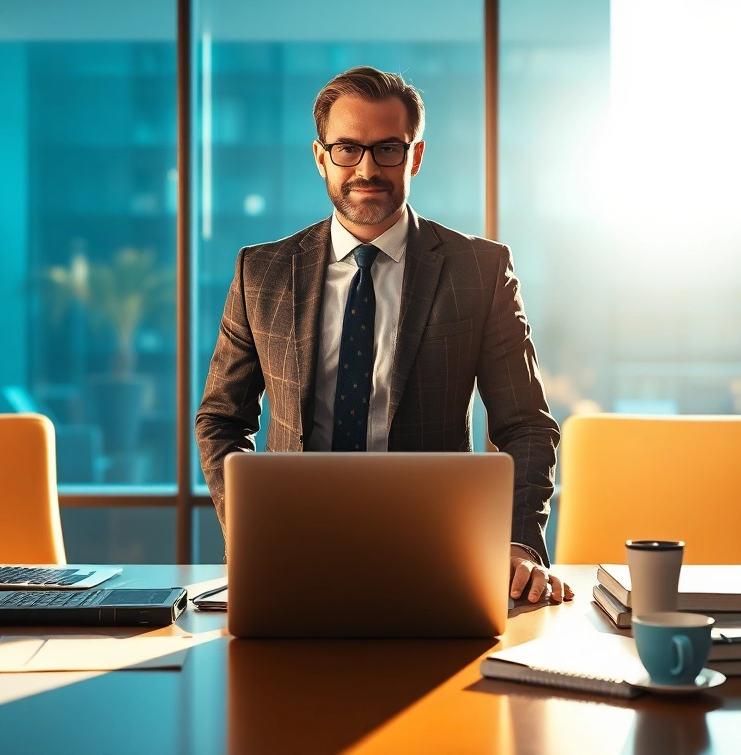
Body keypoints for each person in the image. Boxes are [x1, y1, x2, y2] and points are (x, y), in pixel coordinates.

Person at [195, 66, 570, 605]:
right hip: (289, 558)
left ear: (415, 156)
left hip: (437, 558)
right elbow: (221, 419)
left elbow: (526, 425)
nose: (367, 168)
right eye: (347, 148)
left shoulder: (477, 270)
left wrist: (518, 544)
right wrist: (250, 530)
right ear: (321, 157)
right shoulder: (263, 271)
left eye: (388, 149)